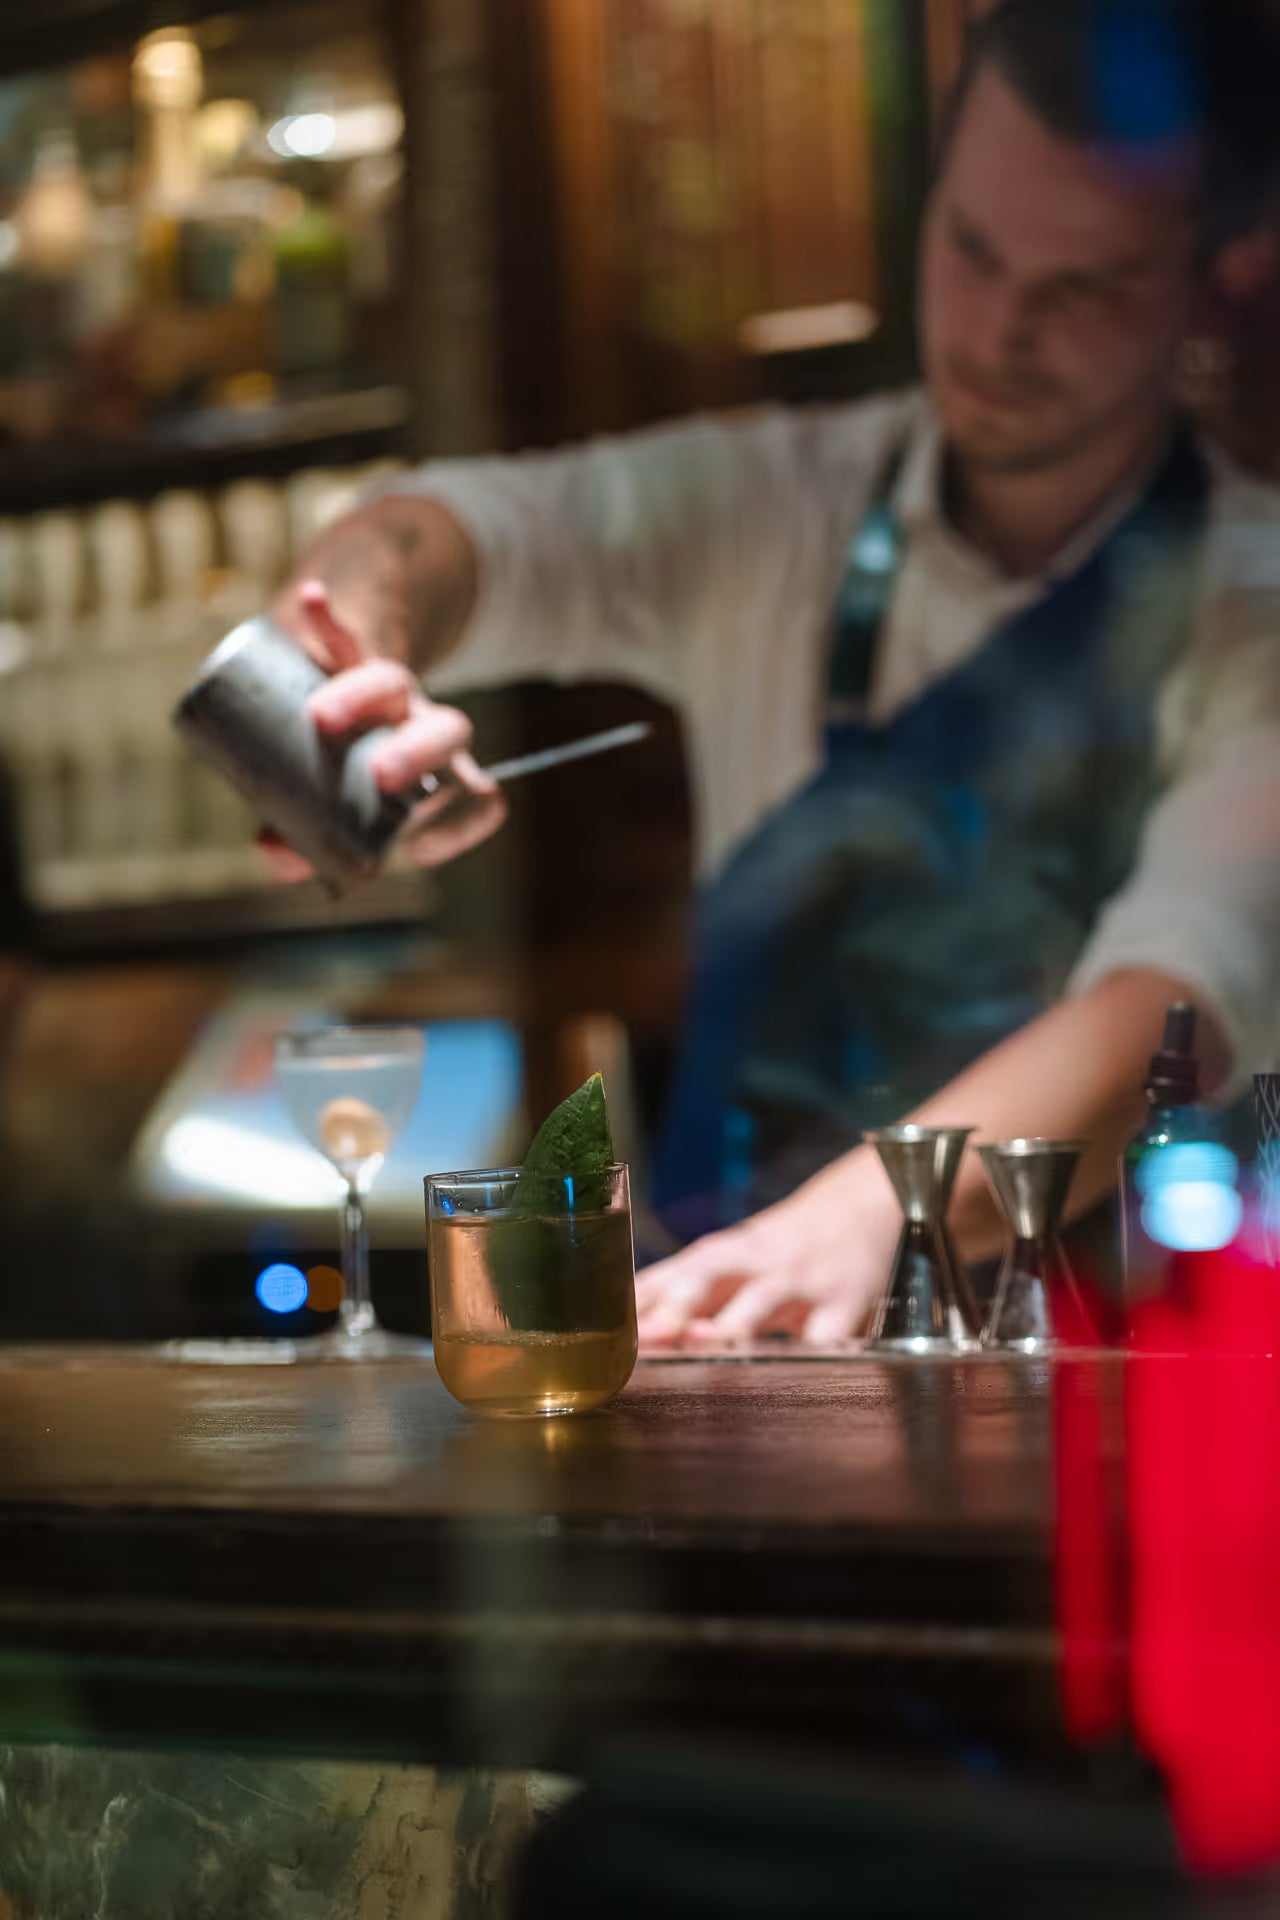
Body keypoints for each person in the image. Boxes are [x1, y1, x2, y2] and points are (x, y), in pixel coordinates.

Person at [269, 0, 1280, 1345]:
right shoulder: (773, 505)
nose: (999, 325)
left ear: (1220, 277)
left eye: (1084, 285)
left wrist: (861, 1221)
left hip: (1098, 1388)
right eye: (971, 247)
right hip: (727, 1324)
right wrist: (347, 674)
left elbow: (1181, 993)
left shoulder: (1252, 602)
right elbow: (435, 532)